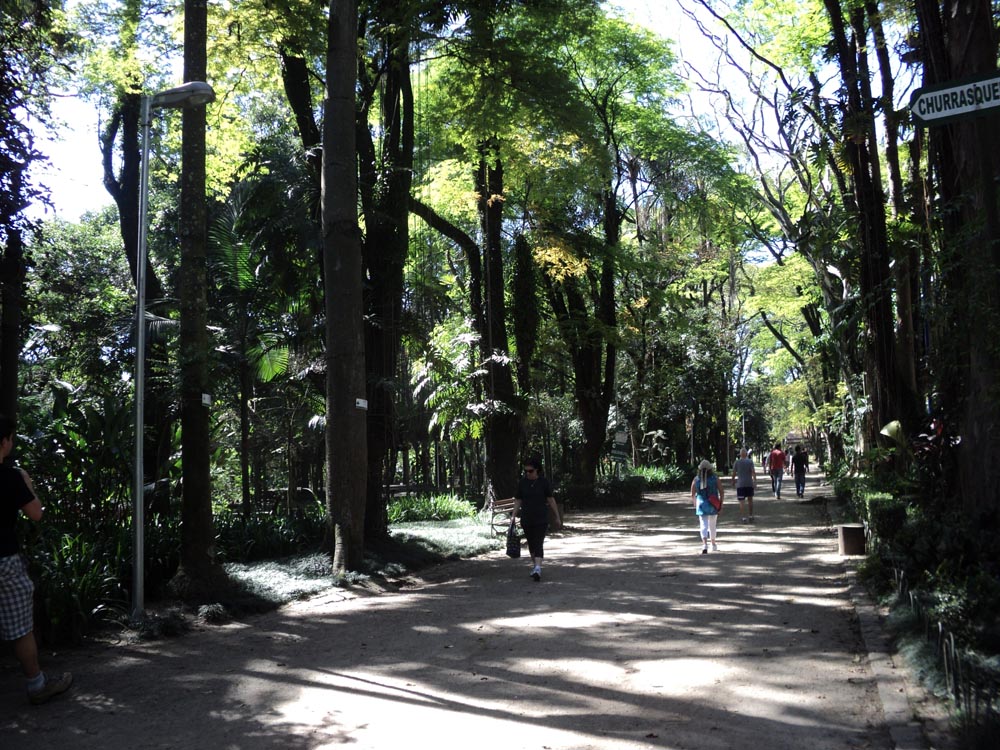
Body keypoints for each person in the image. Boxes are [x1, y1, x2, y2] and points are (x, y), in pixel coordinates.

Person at [0, 415, 73, 705]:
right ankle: (37, 685)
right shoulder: (12, 477)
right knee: (20, 627)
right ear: (4, 441)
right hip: (5, 560)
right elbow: (36, 514)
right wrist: (27, 483)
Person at [511, 457, 561, 581]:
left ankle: (538, 568)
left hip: (541, 518)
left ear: (537, 470)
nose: (528, 473)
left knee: (538, 542)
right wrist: (513, 515)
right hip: (526, 518)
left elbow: (551, 499)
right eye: (526, 471)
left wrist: (557, 516)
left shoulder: (544, 482)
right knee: (532, 544)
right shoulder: (522, 483)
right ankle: (536, 567)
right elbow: (518, 499)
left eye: (530, 471)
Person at [691, 459, 723, 553]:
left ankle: (704, 544)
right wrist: (721, 503)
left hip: (701, 504)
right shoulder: (715, 478)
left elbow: (692, 493)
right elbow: (721, 491)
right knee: (712, 525)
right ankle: (713, 544)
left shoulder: (696, 479)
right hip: (713, 504)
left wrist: (695, 503)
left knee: (703, 524)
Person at [731, 447, 757, 523]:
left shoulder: (737, 462)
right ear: (746, 454)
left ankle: (743, 517)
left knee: (742, 502)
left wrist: (732, 481)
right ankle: (751, 515)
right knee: (750, 500)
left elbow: (734, 473)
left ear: (740, 454)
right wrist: (755, 481)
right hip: (749, 483)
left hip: (740, 484)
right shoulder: (750, 462)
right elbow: (753, 472)